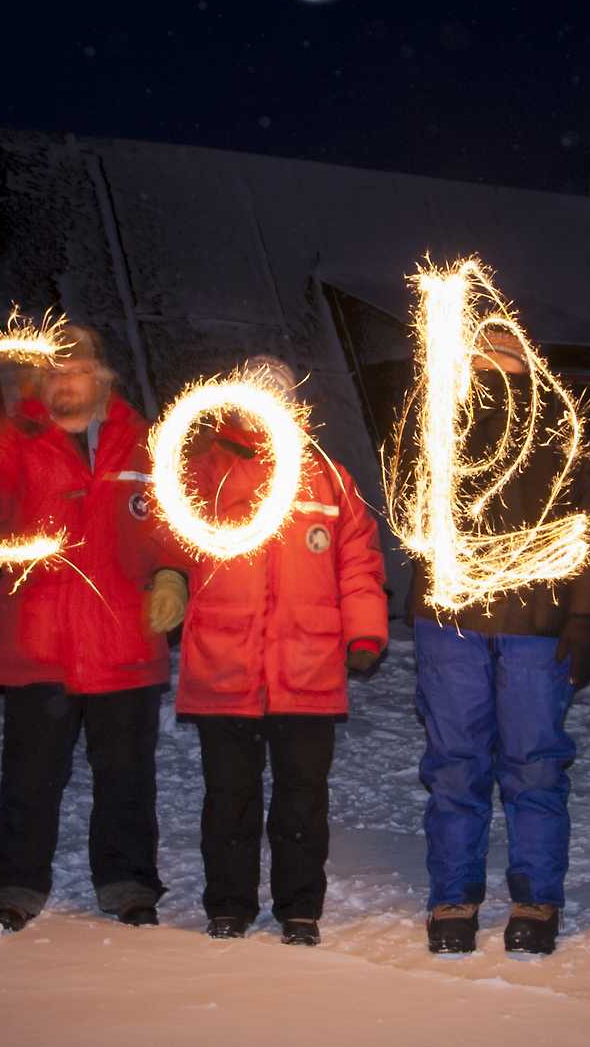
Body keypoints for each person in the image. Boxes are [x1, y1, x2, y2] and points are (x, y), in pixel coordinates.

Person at [0, 324, 190, 933]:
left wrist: (173, 573)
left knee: (126, 778)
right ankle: (14, 885)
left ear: (100, 375)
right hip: (40, 642)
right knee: (31, 778)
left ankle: (127, 884)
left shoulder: (143, 442)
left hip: (124, 640)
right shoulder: (14, 437)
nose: (66, 382)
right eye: (56, 373)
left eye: (77, 370)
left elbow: (170, 522)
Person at [157, 356, 389, 947]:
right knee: (229, 798)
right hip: (224, 664)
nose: (267, 402)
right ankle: (229, 903)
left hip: (306, 668)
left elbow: (357, 560)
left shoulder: (327, 478)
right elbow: (168, 540)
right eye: (256, 393)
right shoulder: (205, 474)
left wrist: (364, 631)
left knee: (302, 800)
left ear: (296, 402)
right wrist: (169, 582)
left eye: (279, 393)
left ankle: (299, 908)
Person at [397, 330, 590, 957]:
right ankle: (453, 897)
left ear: (528, 361)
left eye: (506, 355)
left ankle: (536, 899)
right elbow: (410, 501)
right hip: (452, 621)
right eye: (480, 355)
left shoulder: (558, 429)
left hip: (536, 627)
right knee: (456, 764)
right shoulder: (438, 422)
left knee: (534, 763)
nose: (493, 366)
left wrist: (587, 615)